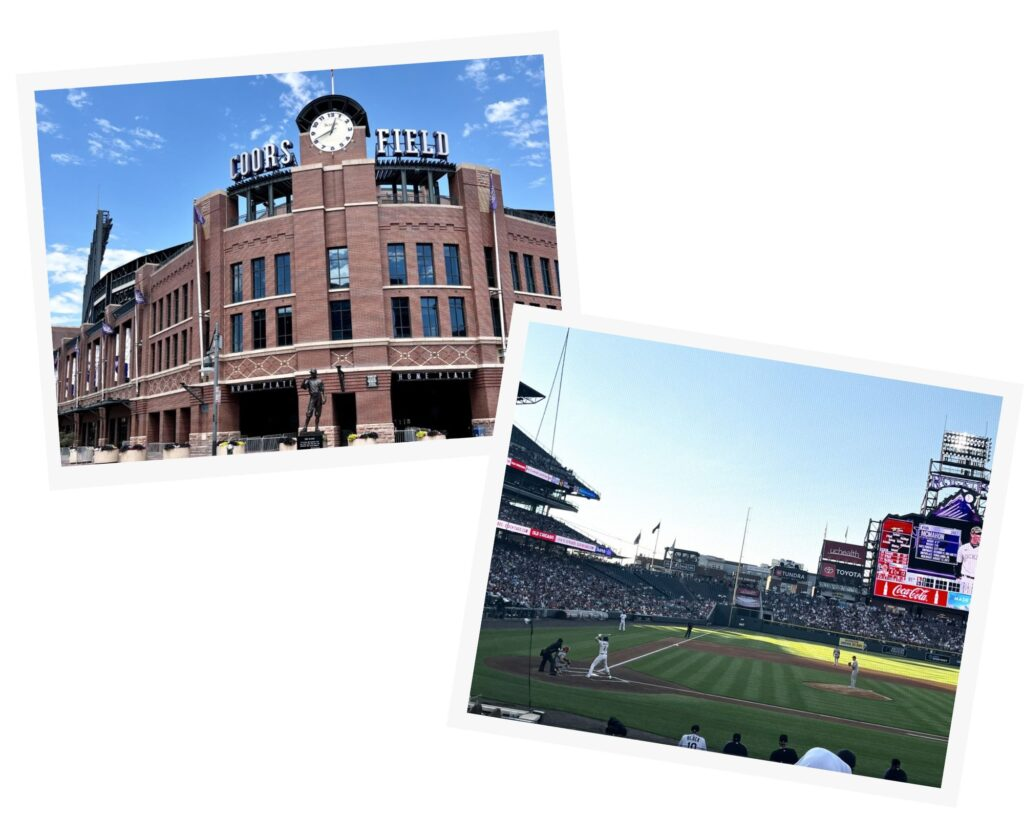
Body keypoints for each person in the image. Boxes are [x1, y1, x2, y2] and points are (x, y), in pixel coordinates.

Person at [956, 526, 981, 595]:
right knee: (962, 601)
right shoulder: (963, 548)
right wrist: (957, 576)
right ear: (971, 534)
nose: (978, 536)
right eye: (977, 534)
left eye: (980, 534)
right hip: (965, 578)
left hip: (976, 579)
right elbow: (958, 564)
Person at [300, 368, 326, 433]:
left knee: (317, 414)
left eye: (312, 373)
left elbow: (322, 391)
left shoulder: (319, 381)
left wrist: (323, 398)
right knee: (309, 413)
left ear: (315, 373)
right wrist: (304, 381)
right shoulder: (308, 380)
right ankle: (305, 427)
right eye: (311, 373)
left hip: (319, 397)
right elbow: (303, 387)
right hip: (312, 397)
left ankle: (316, 428)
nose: (311, 374)